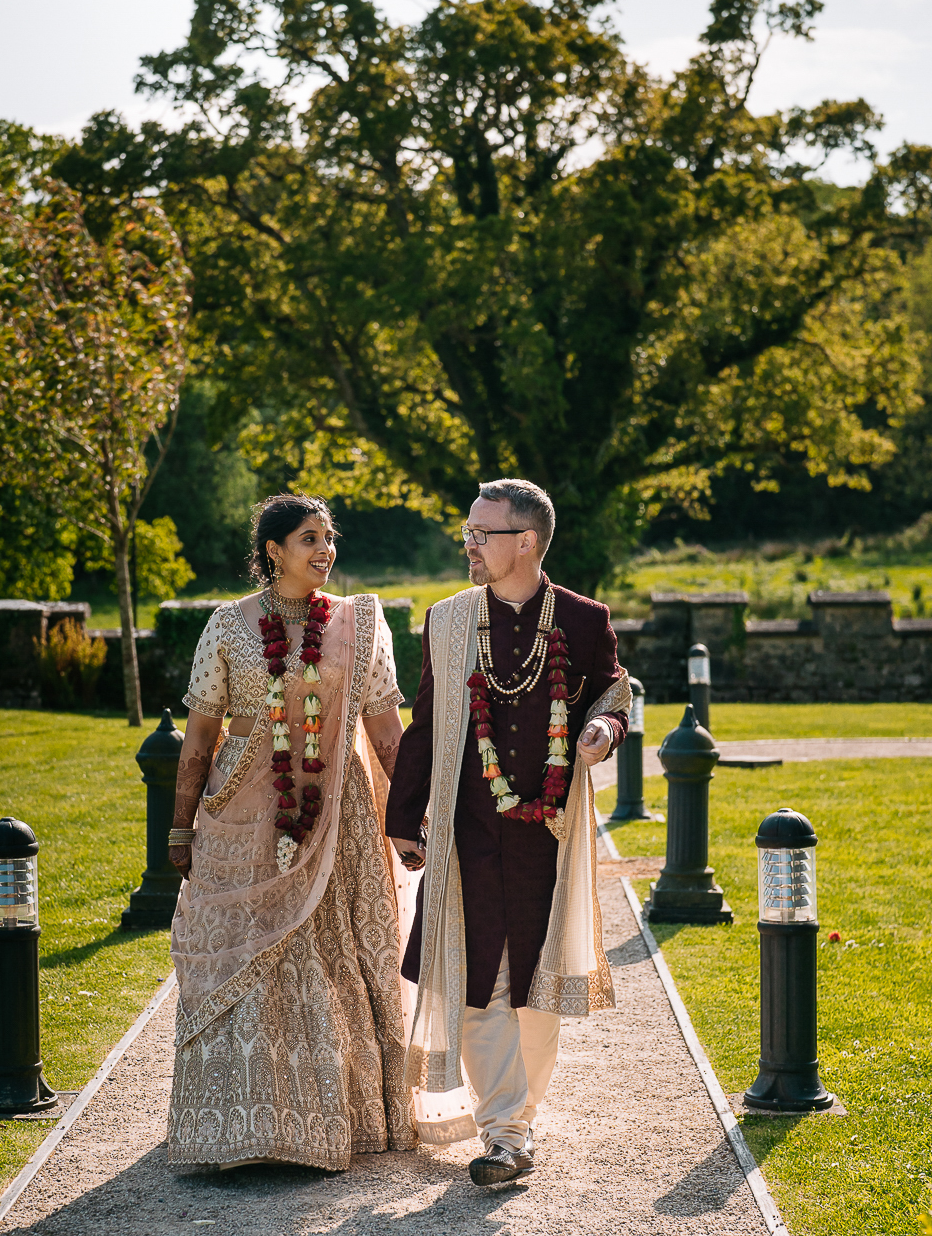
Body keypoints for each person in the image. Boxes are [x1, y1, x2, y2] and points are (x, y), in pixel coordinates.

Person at [386, 478, 631, 1186]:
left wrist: (601, 729)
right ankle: (505, 1135)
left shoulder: (585, 622)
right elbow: (428, 722)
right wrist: (405, 819)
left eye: (481, 533)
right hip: (468, 836)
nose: (468, 543)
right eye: (467, 531)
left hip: (548, 838)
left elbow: (613, 690)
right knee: (473, 981)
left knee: (534, 988)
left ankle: (515, 1126)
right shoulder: (450, 619)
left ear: (525, 541)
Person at [165, 494, 416, 1170]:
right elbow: (199, 735)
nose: (326, 551)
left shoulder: (363, 623)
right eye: (310, 538)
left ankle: (343, 1122)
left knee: (335, 955)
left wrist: (407, 819)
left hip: (341, 814)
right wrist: (180, 827)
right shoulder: (227, 626)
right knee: (250, 958)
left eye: (330, 538)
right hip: (245, 812)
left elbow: (385, 729)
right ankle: (241, 1131)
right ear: (274, 551)